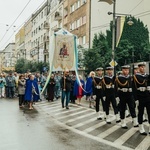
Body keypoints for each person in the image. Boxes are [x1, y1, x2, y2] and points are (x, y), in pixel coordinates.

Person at [133, 62, 150, 135]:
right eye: (141, 67)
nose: (143, 68)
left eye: (144, 67)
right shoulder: (135, 77)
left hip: (148, 96)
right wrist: (136, 99)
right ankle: (141, 127)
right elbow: (134, 89)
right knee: (141, 112)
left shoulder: (148, 76)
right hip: (140, 96)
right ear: (139, 68)